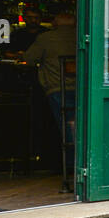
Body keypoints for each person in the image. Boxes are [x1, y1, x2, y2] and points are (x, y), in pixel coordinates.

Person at [24, 10, 78, 146]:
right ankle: (75, 161)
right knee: (80, 125)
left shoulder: (45, 38)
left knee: (66, 128)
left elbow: (29, 59)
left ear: (54, 23)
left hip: (56, 87)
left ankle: (70, 162)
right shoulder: (81, 36)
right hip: (82, 88)